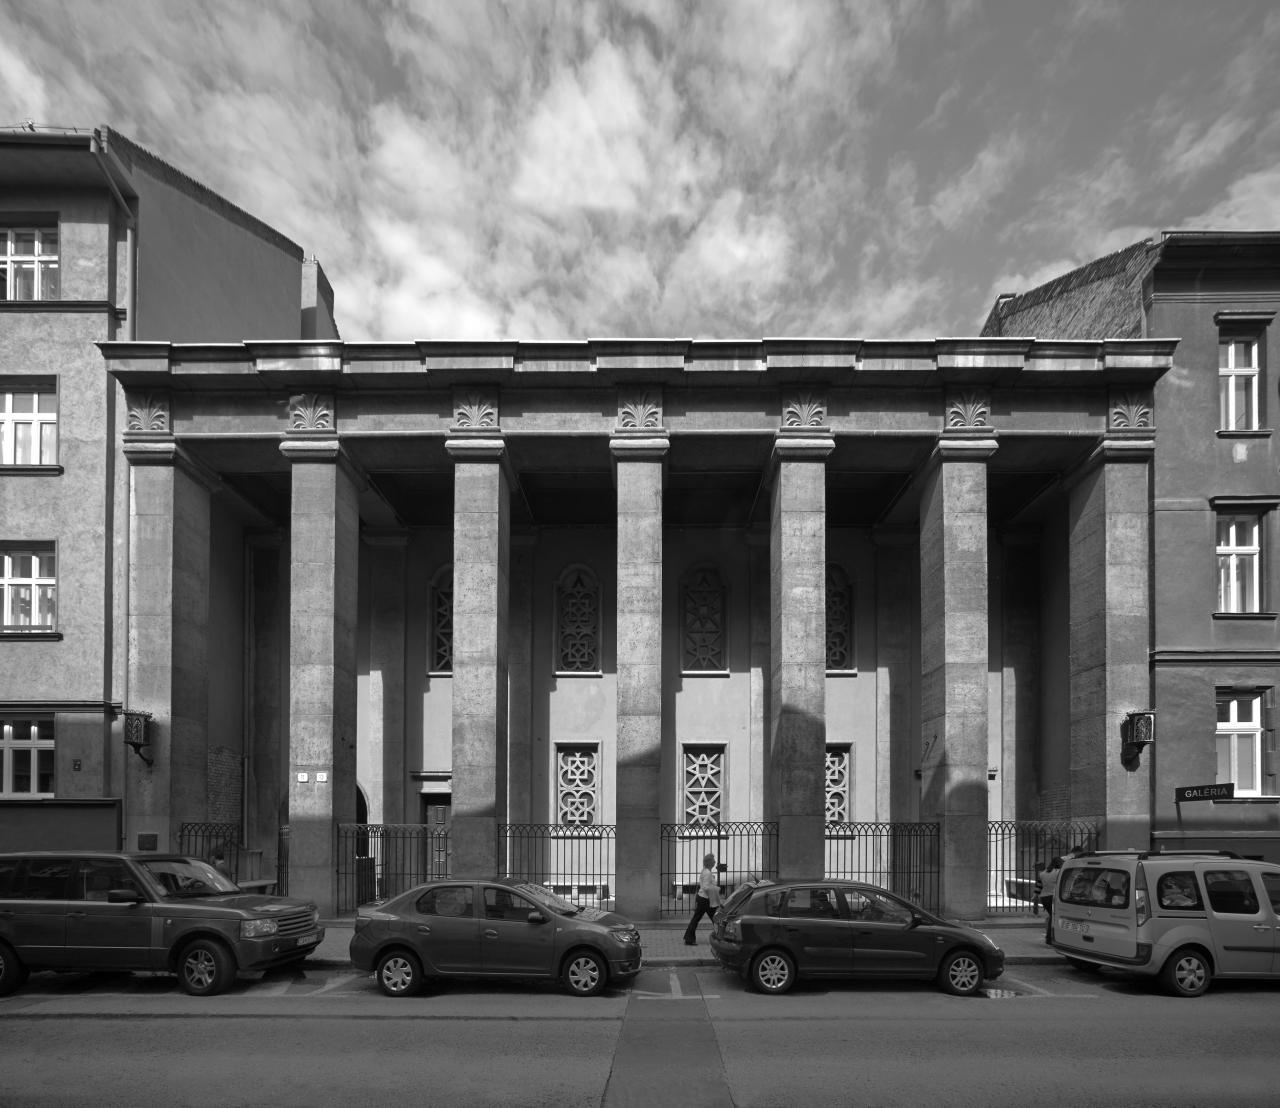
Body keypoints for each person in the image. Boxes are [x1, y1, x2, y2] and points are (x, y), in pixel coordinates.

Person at [683, 853, 721, 945]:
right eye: (713, 860)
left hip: (703, 898)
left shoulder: (705, 871)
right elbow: (706, 887)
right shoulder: (707, 873)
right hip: (706, 899)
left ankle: (689, 938)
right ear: (709, 862)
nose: (715, 862)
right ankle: (721, 937)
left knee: (698, 919)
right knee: (716, 919)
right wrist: (716, 889)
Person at [1036, 857, 1062, 943]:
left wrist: (1035, 895)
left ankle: (1049, 938)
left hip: (1044, 897)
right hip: (1054, 897)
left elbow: (1039, 886)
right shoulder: (1059, 872)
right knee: (1053, 917)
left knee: (1052, 916)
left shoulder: (1043, 873)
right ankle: (1050, 938)